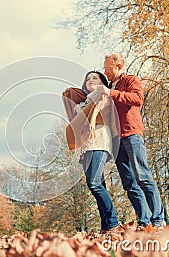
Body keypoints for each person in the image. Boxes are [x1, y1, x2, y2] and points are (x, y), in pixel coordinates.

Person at [96, 53, 165, 229]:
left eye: (108, 68)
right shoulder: (108, 87)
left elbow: (137, 99)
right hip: (116, 141)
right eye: (104, 68)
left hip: (132, 135)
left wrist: (111, 93)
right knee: (129, 183)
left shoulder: (131, 80)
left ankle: (158, 220)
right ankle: (144, 220)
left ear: (119, 67)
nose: (106, 72)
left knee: (143, 176)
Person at [72, 71, 120, 232]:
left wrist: (90, 122)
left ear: (102, 82)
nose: (90, 80)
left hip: (99, 141)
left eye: (95, 78)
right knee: (99, 184)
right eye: (87, 78)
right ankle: (105, 226)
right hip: (86, 147)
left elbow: (96, 111)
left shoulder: (102, 96)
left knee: (93, 183)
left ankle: (113, 223)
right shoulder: (84, 102)